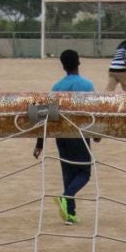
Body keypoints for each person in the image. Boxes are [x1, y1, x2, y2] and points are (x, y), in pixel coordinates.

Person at [32, 49, 97, 225]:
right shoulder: (87, 85)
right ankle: (67, 196)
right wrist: (97, 134)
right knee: (84, 172)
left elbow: (45, 115)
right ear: (79, 63)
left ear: (63, 66)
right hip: (79, 135)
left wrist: (40, 143)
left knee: (68, 172)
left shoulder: (56, 87)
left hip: (61, 137)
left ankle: (70, 214)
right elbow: (92, 113)